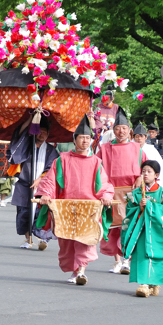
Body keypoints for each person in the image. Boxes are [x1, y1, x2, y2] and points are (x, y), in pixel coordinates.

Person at [36, 115, 114, 284]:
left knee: (85, 239)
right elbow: (50, 180)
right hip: (66, 208)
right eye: (82, 138)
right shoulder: (62, 159)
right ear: (74, 139)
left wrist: (106, 196)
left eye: (88, 138)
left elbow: (104, 184)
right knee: (67, 242)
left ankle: (81, 271)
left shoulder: (96, 162)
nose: (85, 141)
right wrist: (46, 195)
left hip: (88, 208)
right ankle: (74, 270)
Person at [96, 107, 146, 274]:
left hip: (131, 193)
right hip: (110, 191)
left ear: (129, 131)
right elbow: (96, 169)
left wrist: (140, 176)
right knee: (112, 228)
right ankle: (117, 261)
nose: (121, 131)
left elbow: (146, 169)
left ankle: (127, 259)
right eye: (118, 128)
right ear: (113, 130)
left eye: (124, 128)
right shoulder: (105, 148)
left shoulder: (137, 149)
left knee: (129, 226)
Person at [121, 160, 163, 297]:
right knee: (142, 255)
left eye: (149, 171)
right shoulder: (136, 193)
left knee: (157, 255)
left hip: (158, 231)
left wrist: (152, 207)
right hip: (141, 230)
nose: (145, 174)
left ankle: (154, 282)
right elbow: (129, 210)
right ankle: (144, 284)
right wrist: (139, 208)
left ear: (156, 175)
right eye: (143, 171)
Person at [7, 115, 59, 249]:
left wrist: (41, 180)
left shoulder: (51, 150)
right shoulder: (26, 146)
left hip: (43, 187)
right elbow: (19, 135)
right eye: (39, 131)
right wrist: (31, 118)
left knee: (41, 213)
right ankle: (28, 238)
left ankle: (43, 238)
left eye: (45, 132)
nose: (42, 135)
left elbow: (54, 169)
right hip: (24, 184)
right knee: (23, 212)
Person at [133, 123, 163, 188]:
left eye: (141, 136)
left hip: (150, 177)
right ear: (133, 138)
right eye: (137, 136)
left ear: (145, 137)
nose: (139, 139)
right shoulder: (131, 149)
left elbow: (159, 164)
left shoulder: (151, 149)